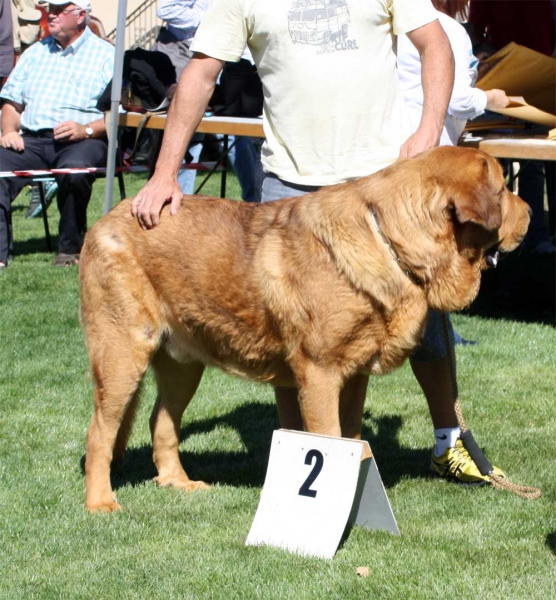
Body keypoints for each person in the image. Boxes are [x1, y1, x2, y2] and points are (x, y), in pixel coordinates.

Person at [131, 0, 504, 485]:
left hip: (379, 181)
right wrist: (164, 172)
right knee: (297, 334)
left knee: (425, 322)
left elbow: (435, 42)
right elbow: (201, 73)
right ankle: (308, 465)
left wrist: (429, 129)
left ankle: (448, 441)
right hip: (293, 186)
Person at [0, 0, 114, 268]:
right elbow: (12, 103)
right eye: (48, 9)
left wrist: (85, 129)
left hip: (85, 139)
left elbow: (116, 115)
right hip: (32, 140)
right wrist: (7, 130)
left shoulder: (107, 55)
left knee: (74, 171)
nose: (49, 15)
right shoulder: (34, 53)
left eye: (58, 10)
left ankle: (69, 250)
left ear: (81, 15)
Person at [468, 0, 556, 254]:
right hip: (502, 79)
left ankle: (534, 234)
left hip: (539, 79)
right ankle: (492, 236)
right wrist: (484, 52)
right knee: (494, 165)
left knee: (535, 161)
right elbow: (475, 28)